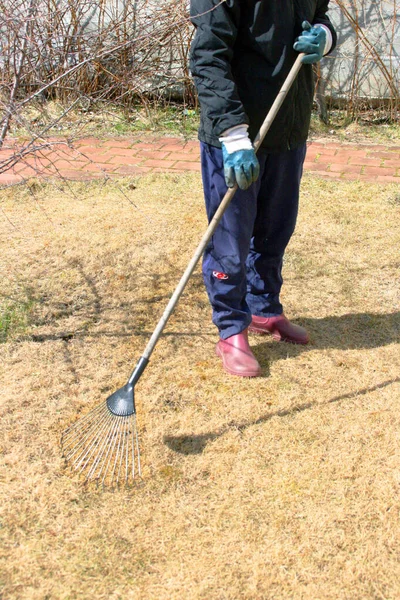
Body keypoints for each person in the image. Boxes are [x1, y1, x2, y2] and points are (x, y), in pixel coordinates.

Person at [189, 0, 337, 377]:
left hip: (288, 124)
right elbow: (208, 56)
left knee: (276, 230)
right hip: (238, 136)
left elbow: (319, 15)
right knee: (230, 242)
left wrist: (325, 36)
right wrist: (233, 134)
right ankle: (231, 328)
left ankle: (263, 308)